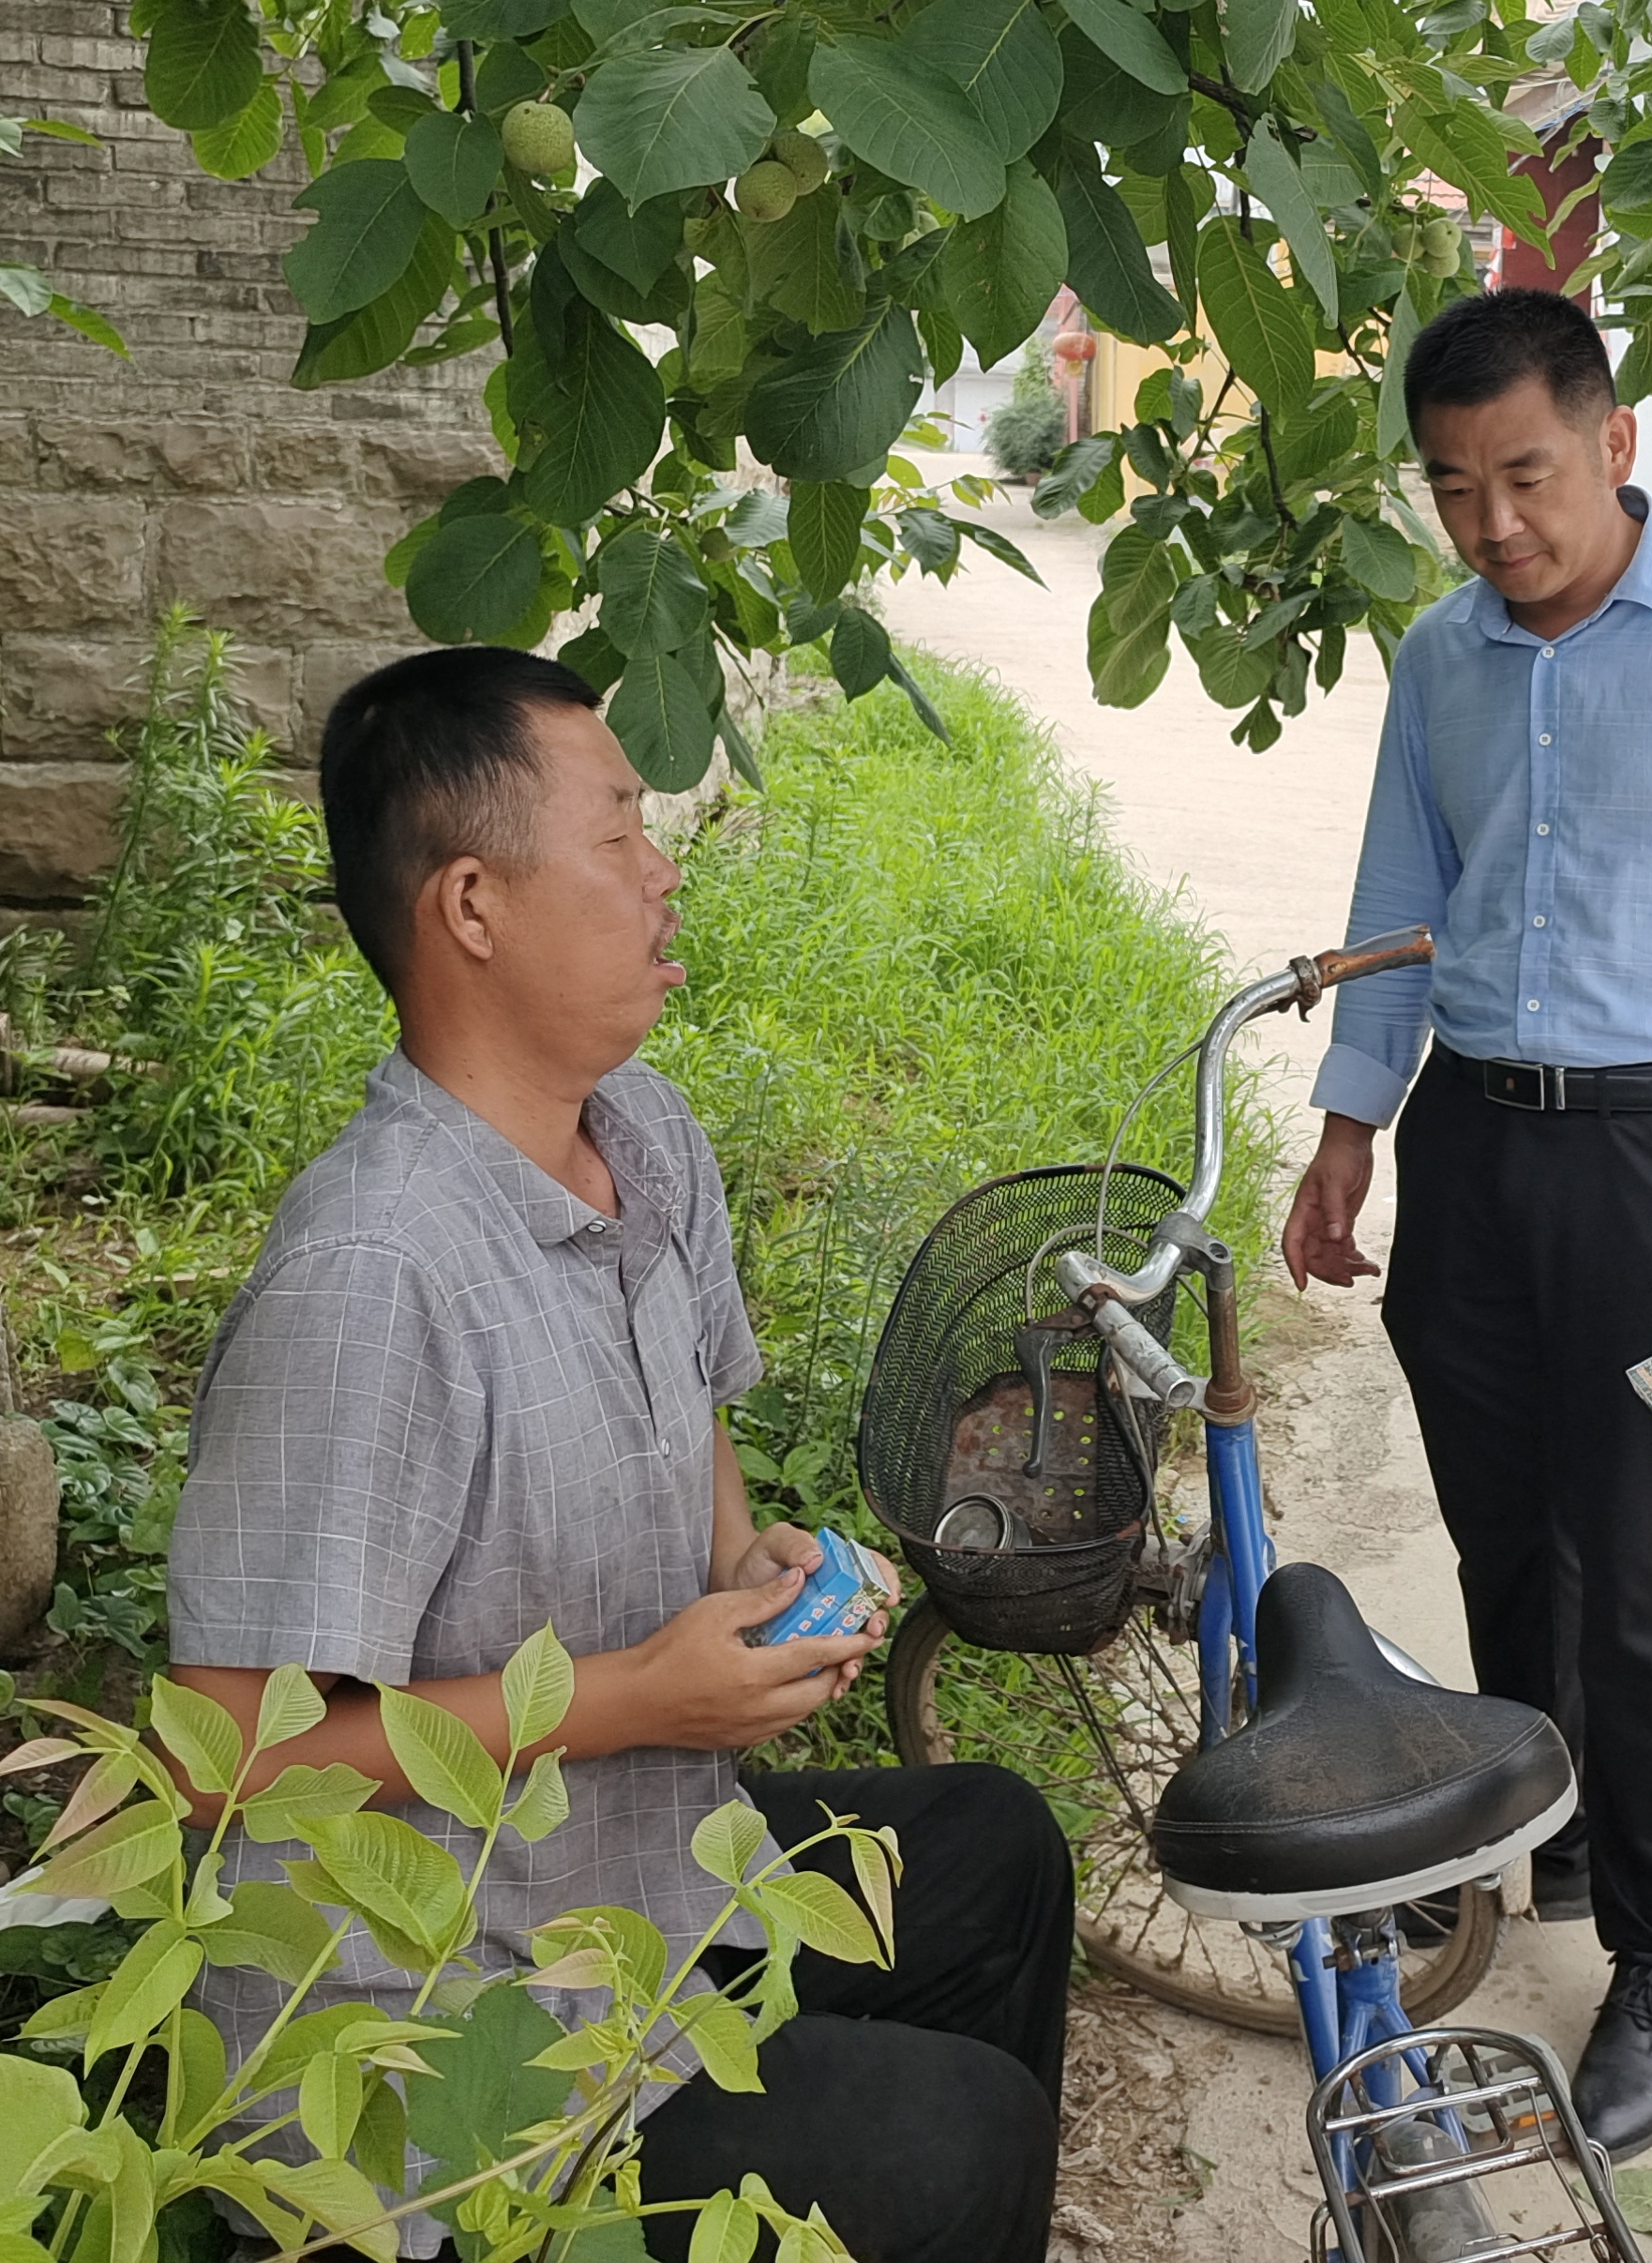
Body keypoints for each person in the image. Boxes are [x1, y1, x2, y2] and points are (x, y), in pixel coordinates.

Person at [165, 648, 1070, 2263]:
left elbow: (693, 1412)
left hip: (636, 1877)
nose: (663, 871)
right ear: (472, 905)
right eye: (617, 832)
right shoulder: (372, 1277)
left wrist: (746, 1569)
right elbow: (225, 1752)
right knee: (954, 2138)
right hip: (446, 2043)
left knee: (994, 1852)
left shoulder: (642, 1134)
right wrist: (638, 1697)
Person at [1281, 286, 1652, 2156]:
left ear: (1615, 445)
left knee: (1643, 1576)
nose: (1493, 524)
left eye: (1526, 476)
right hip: (1474, 1143)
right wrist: (1349, 1129)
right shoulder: (1442, 656)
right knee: (1505, 1533)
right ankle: (1540, 1838)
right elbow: (1401, 890)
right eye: (1453, 488)